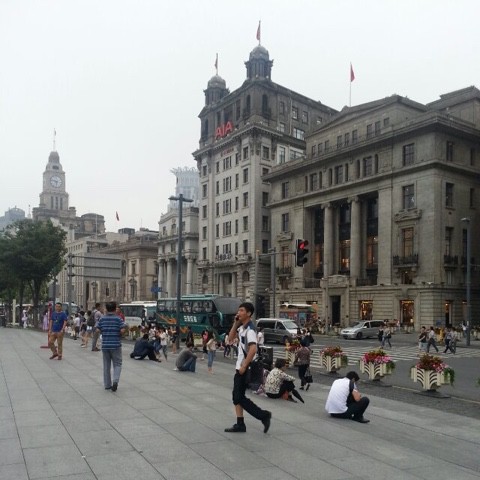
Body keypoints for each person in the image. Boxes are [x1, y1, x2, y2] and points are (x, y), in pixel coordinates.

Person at [224, 302, 271, 434]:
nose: (238, 313)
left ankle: (263, 415)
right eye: (238, 310)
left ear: (249, 313)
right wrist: (235, 324)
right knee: (237, 396)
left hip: (244, 367)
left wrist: (244, 366)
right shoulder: (242, 328)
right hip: (240, 366)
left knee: (238, 397)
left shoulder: (250, 330)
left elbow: (253, 349)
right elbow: (230, 339)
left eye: (242, 310)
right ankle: (240, 423)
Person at [96, 301, 127, 391]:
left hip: (105, 345)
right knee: (117, 364)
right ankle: (115, 381)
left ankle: (107, 385)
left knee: (106, 365)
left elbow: (97, 330)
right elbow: (122, 330)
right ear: (114, 309)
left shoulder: (102, 319)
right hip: (116, 345)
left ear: (107, 309)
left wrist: (104, 331)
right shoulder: (118, 319)